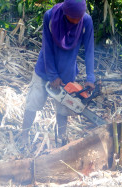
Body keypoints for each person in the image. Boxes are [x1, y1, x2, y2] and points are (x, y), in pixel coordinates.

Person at [21, 0, 95, 148]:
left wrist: (90, 77)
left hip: (67, 71)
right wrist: (52, 75)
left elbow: (89, 49)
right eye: (72, 18)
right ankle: (23, 136)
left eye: (78, 18)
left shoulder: (86, 20)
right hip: (45, 69)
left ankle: (62, 140)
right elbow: (47, 47)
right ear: (65, 12)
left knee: (63, 109)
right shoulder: (50, 16)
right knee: (33, 103)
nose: (76, 21)